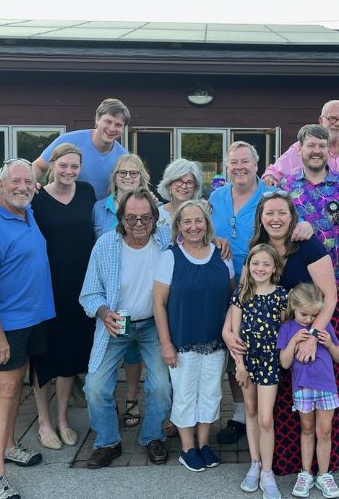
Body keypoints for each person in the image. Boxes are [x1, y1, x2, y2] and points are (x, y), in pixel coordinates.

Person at [241, 192, 339, 476]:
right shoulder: (258, 248)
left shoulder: (307, 245)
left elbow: (330, 297)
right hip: (277, 332)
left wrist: (314, 335)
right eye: (269, 213)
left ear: (292, 216)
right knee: (284, 399)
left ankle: (322, 466)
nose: (275, 219)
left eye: (281, 213)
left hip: (316, 324)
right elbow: (245, 293)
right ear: (261, 218)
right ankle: (286, 462)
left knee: (315, 396)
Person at [211, 142, 313, 444]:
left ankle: (278, 414)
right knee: (237, 347)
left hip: (268, 282)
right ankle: (242, 413)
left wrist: (304, 224)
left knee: (272, 347)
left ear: (257, 165)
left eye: (245, 161)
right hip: (229, 281)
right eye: (233, 162)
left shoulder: (268, 195)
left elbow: (292, 217)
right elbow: (206, 229)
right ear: (227, 166)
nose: (239, 167)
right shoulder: (216, 196)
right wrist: (215, 238)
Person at [0, 158, 56, 499]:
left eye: (28, 182)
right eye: (15, 182)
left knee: (15, 388)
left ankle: (8, 446)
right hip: (7, 326)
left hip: (32, 319)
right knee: (4, 393)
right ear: (1, 186)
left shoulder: (26, 213)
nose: (23, 187)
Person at [79, 187, 173, 469]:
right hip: (116, 323)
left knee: (160, 386)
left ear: (156, 218)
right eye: (132, 218)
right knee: (94, 386)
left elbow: (198, 240)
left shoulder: (167, 240)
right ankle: (108, 442)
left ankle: (153, 436)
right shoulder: (106, 245)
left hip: (154, 324)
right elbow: (88, 293)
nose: (139, 225)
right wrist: (103, 312)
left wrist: (216, 239)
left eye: (146, 218)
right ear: (120, 218)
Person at [153, 200, 235, 472]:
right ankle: (187, 448)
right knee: (185, 395)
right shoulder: (170, 257)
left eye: (198, 221)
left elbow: (232, 297)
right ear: (178, 225)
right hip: (182, 341)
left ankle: (204, 444)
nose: (193, 226)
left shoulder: (221, 255)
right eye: (186, 221)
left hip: (215, 342)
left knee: (211, 394)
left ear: (207, 224)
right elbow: (159, 304)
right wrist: (166, 343)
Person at [29, 143, 96, 450]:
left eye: (74, 166)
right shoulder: (37, 197)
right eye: (64, 165)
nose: (69, 171)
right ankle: (43, 422)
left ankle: (63, 419)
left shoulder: (86, 192)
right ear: (52, 164)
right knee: (44, 357)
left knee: (69, 356)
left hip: (78, 289)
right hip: (45, 288)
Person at [92, 154, 151, 430]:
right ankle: (106, 428)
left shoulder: (156, 217)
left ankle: (132, 401)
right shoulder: (99, 213)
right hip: (111, 297)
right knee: (98, 381)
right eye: (122, 173)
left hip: (147, 310)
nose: (128, 177)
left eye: (134, 173)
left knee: (137, 358)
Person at [228, 244, 288, 499]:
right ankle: (254, 464)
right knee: (250, 412)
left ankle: (267, 471)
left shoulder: (282, 296)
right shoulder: (242, 294)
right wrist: (239, 366)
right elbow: (234, 333)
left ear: (274, 267)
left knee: (265, 418)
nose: (260, 268)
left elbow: (286, 331)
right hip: (246, 363)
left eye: (266, 264)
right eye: (255, 263)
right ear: (248, 266)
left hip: (269, 363)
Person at [277, 283, 339, 499]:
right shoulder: (287, 328)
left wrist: (329, 344)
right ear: (293, 306)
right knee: (306, 430)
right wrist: (294, 341)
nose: (308, 320)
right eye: (304, 314)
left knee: (324, 431)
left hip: (326, 387)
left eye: (314, 314)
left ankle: (324, 474)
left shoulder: (323, 326)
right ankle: (305, 473)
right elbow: (285, 363)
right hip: (303, 388)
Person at [279, 124, 339, 295]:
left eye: (322, 146)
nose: (317, 150)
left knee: (331, 323)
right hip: (295, 280)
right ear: (300, 150)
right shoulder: (285, 186)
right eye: (311, 145)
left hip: (334, 280)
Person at [33, 98, 129, 200]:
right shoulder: (68, 140)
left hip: (99, 213)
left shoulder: (123, 157)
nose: (111, 129)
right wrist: (31, 183)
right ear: (97, 119)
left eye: (118, 125)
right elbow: (39, 165)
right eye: (108, 122)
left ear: (123, 129)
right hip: (60, 207)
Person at [263, 100, 339, 186]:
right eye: (332, 119)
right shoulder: (303, 147)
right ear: (321, 121)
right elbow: (274, 173)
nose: (337, 124)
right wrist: (270, 178)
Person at [156, 158, 203, 229]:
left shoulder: (202, 213)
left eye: (189, 182)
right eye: (179, 181)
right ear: (169, 184)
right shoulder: (157, 215)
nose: (184, 186)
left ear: (195, 187)